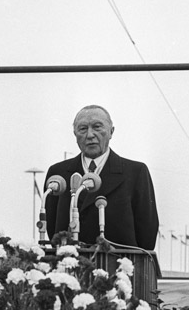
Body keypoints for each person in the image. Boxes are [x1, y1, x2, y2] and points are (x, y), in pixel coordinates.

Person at [44, 105, 159, 250]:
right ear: (75, 134)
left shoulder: (135, 173)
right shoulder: (58, 173)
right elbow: (51, 227)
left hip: (119, 267)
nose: (90, 135)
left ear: (111, 131)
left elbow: (147, 232)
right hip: (69, 265)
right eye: (83, 129)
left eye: (97, 127)